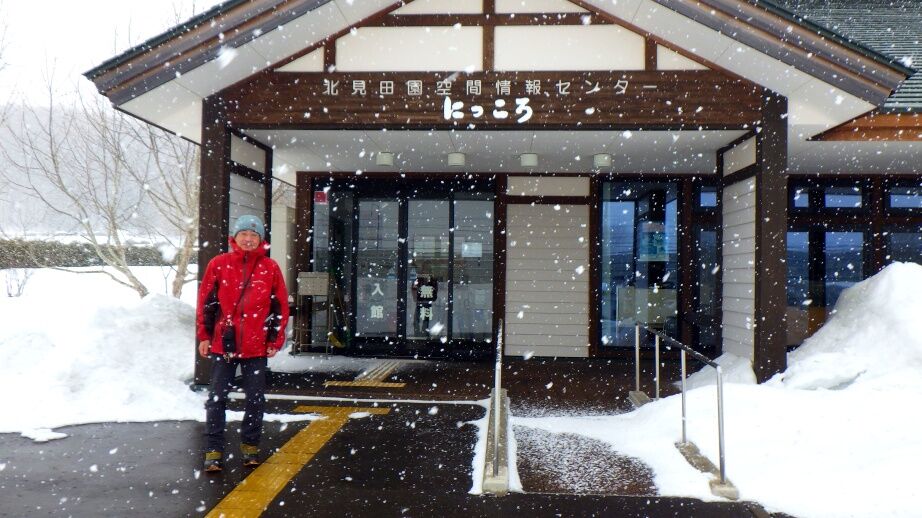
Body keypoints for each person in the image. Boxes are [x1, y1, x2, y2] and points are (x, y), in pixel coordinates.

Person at [195, 215, 289, 472]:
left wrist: (274, 339)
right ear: (234, 238)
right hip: (223, 344)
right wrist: (204, 336)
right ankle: (213, 451)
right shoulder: (218, 264)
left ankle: (250, 447)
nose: (248, 239)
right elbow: (206, 303)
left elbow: (279, 307)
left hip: (256, 346)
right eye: (243, 234)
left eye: (254, 235)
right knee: (216, 398)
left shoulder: (269, 267)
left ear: (261, 240)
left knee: (255, 399)